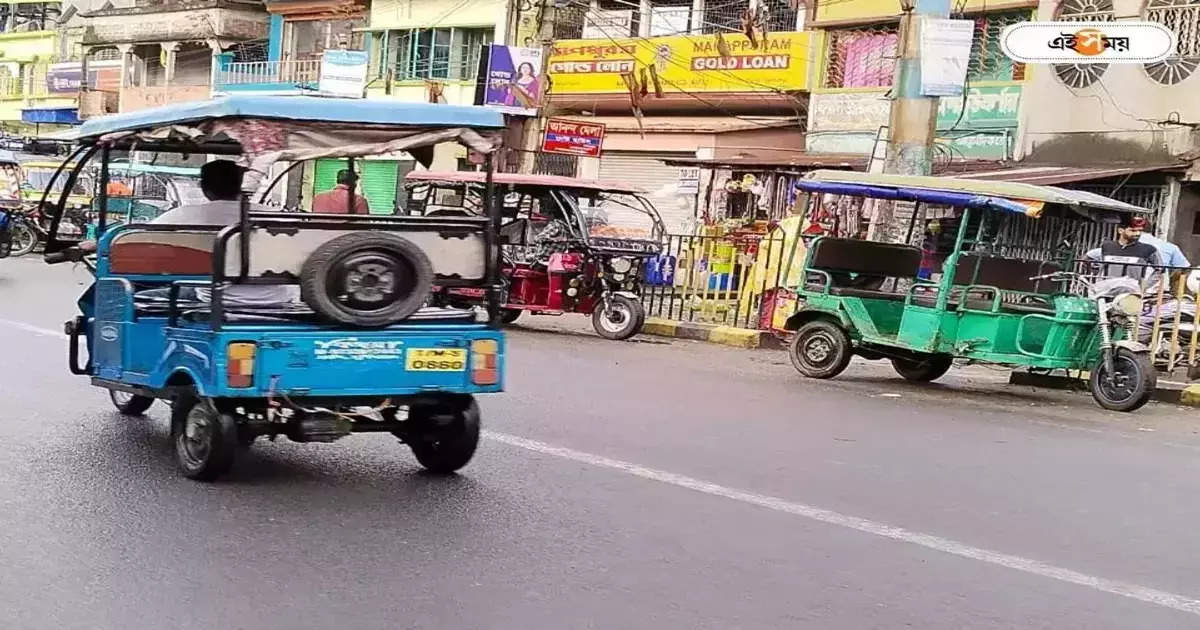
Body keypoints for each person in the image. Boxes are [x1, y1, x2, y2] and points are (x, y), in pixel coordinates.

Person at [148, 159, 297, 307]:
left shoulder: (182, 215)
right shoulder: (278, 215)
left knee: (141, 296)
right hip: (278, 297)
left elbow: (142, 242)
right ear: (241, 186)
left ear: (203, 188)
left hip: (214, 298)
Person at [1084, 215, 1164, 283]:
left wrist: (1145, 285)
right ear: (1120, 230)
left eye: (1140, 231)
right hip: (1105, 292)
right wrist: (1099, 276)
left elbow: (1160, 270)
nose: (1137, 234)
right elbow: (1088, 259)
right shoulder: (1107, 246)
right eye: (1133, 230)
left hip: (1131, 295)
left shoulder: (1149, 249)